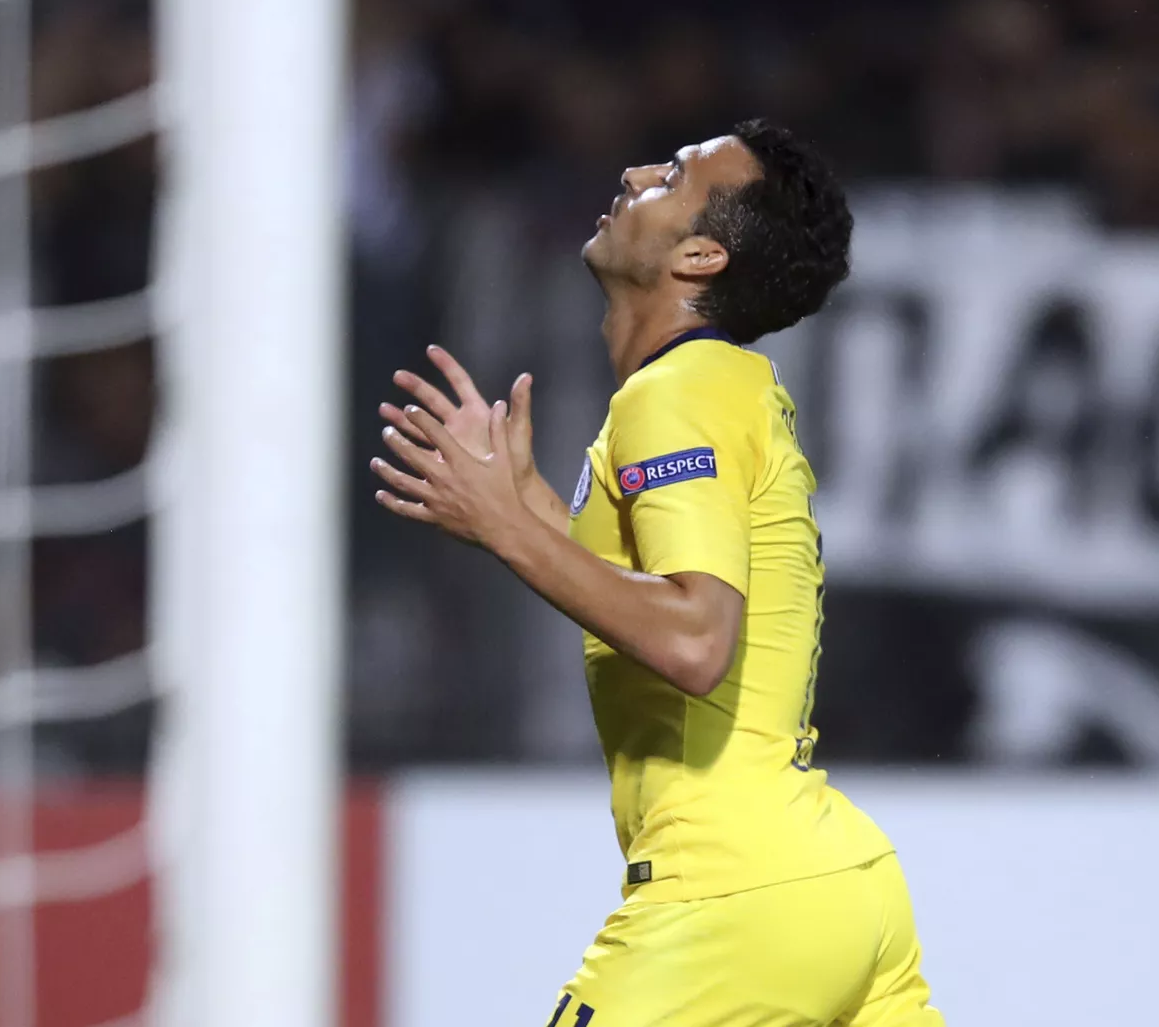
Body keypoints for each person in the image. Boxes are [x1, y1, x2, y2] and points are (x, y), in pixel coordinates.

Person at [372, 119, 945, 1026]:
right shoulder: (718, 388)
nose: (636, 172)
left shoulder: (676, 395)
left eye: (671, 178)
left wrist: (509, 528)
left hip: (731, 900)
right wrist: (524, 511)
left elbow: (694, 638)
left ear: (702, 255)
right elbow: (655, 598)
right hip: (836, 885)